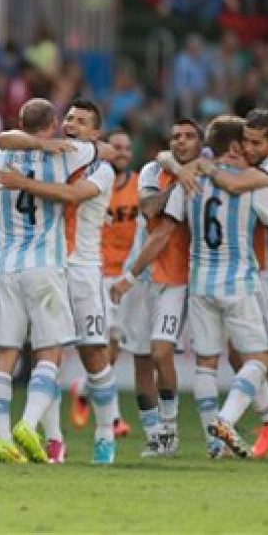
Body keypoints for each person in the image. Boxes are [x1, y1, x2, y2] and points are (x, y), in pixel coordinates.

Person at [116, 115, 268, 459]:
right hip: (238, 279)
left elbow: (165, 226)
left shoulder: (191, 181)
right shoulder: (254, 183)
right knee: (258, 358)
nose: (249, 148)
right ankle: (226, 422)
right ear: (234, 145)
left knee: (206, 364)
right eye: (245, 143)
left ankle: (216, 445)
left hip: (199, 282)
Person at [0, 98, 112, 464]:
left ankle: (2, 439)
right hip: (45, 265)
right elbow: (108, 151)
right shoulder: (66, 154)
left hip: (5, 265)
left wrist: (14, 232)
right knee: (49, 352)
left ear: (20, 121)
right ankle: (29, 423)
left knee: (4, 354)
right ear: (53, 123)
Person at [111, 119, 203, 458]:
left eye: (189, 136)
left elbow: (163, 231)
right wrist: (179, 178)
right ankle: (154, 435)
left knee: (161, 352)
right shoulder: (153, 169)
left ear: (201, 143)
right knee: (140, 358)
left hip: (175, 279)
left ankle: (170, 429)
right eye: (175, 136)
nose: (180, 141)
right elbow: (149, 208)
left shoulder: (208, 172)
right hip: (141, 276)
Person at [69, 129, 136, 438]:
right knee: (102, 341)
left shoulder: (138, 186)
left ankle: (82, 389)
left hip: (127, 276)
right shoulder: (95, 182)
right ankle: (113, 419)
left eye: (126, 148)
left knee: (114, 345)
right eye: (116, 146)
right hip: (97, 271)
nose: (121, 152)